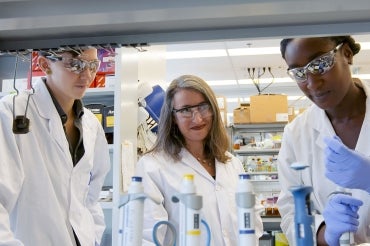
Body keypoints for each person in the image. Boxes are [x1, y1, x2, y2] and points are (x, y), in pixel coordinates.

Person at [135, 74, 264, 245]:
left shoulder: (232, 163)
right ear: (173, 117)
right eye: (186, 110)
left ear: (213, 110)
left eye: (203, 107)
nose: (197, 118)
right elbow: (147, 237)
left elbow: (251, 220)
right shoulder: (153, 166)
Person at [0, 47, 110, 245]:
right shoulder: (12, 112)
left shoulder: (92, 124)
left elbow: (90, 198)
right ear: (44, 65)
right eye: (75, 65)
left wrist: (93, 236)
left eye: (93, 65)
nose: (87, 75)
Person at [276, 35, 370, 245]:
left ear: (346, 53)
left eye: (320, 64)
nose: (312, 83)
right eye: (299, 73)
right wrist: (326, 233)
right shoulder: (296, 133)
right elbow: (291, 212)